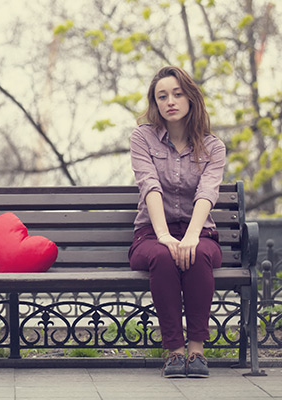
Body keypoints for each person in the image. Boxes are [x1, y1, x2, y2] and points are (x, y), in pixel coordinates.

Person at [128, 66, 226, 378]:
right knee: (162, 255)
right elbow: (149, 185)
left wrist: (192, 236)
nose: (170, 101)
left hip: (200, 232)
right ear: (155, 104)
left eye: (177, 93)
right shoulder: (142, 138)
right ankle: (174, 351)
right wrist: (164, 236)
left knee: (196, 255)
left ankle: (196, 351)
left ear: (190, 98)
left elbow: (207, 191)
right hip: (151, 235)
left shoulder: (213, 147)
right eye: (162, 96)